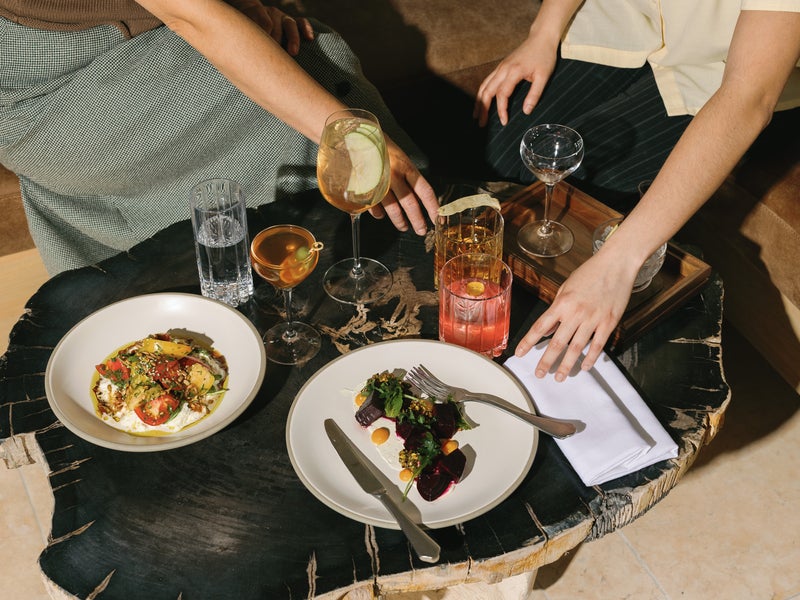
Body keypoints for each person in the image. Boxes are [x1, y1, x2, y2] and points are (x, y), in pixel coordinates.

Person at [474, 1, 800, 382]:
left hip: (722, 71)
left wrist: (618, 262)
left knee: (580, 179)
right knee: (506, 150)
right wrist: (542, 34)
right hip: (631, 19)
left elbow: (747, 96)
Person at [0, 1, 439, 275]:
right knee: (319, 70)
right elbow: (192, 16)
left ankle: (392, 238)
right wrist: (347, 132)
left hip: (152, 24)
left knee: (305, 62)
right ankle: (358, 250)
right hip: (47, 85)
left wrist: (244, 6)